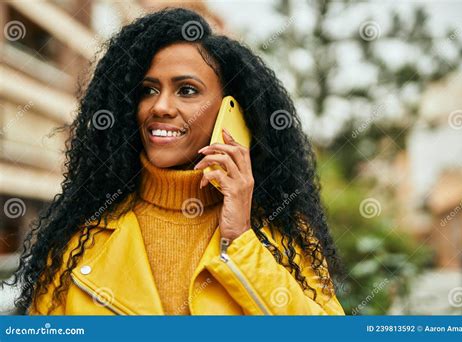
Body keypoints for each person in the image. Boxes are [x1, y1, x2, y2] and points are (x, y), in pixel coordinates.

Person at [7, 7, 345, 315]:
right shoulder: (77, 241)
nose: (161, 106)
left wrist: (241, 241)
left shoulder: (281, 234)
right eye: (148, 90)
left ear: (232, 111)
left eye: (187, 90)